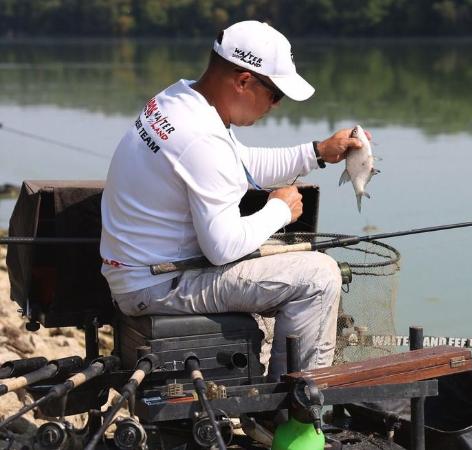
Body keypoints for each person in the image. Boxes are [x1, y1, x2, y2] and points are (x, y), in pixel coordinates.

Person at [99, 20, 363, 380]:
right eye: (275, 95)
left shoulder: (179, 100)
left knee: (300, 260)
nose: (275, 106)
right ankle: (295, 413)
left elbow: (238, 163)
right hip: (158, 284)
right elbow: (221, 248)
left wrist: (317, 152)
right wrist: (280, 210)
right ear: (243, 81)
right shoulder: (202, 139)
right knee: (320, 275)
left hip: (141, 271)